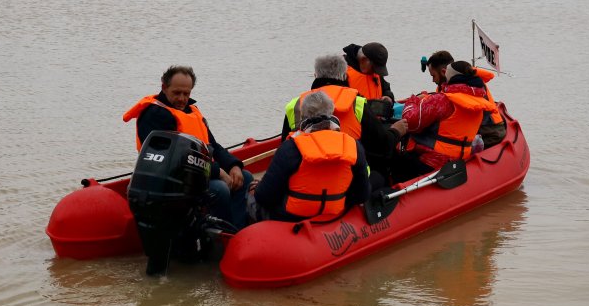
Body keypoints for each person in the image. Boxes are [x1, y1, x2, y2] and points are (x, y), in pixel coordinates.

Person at [123, 65, 253, 230]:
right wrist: (218, 171)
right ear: (164, 87)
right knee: (219, 189)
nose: (182, 99)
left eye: (186, 94)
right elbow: (177, 161)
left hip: (200, 173)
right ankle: (222, 236)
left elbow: (213, 145)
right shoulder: (155, 115)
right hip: (173, 180)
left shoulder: (192, 112)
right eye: (177, 93)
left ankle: (237, 230)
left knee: (245, 178)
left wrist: (233, 165)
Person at [281, 54, 407, 183]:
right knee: (380, 176)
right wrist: (396, 131)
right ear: (344, 76)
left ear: (315, 75)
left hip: (304, 179)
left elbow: (284, 147)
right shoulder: (357, 103)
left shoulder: (294, 105)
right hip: (347, 181)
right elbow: (382, 146)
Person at [253, 91, 370, 222]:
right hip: (334, 214)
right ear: (331, 113)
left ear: (303, 117)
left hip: (291, 218)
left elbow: (265, 197)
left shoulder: (291, 148)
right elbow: (362, 195)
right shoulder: (354, 146)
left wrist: (256, 188)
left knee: (251, 199)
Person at [393, 60, 498, 182]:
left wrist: (413, 101)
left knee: (393, 159)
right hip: (460, 159)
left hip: (432, 161)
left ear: (449, 78)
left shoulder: (443, 101)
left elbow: (411, 123)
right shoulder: (480, 101)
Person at [423, 50, 506, 147]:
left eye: (433, 76)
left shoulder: (463, 86)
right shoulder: (462, 78)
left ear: (443, 72)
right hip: (487, 128)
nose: (433, 80)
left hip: (490, 132)